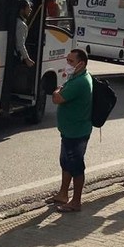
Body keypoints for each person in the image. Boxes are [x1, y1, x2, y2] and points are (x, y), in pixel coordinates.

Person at [48, 49, 93, 212]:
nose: (67, 64)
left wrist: (56, 91)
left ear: (81, 64)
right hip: (69, 130)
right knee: (66, 163)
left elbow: (57, 98)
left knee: (76, 166)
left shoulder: (80, 81)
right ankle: (63, 193)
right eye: (67, 60)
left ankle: (76, 201)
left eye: (71, 61)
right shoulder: (76, 77)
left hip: (77, 132)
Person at [14, 0, 35, 68]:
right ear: (22, 10)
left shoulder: (16, 21)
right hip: (16, 57)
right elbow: (20, 44)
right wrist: (27, 59)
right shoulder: (21, 25)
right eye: (28, 7)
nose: (30, 10)